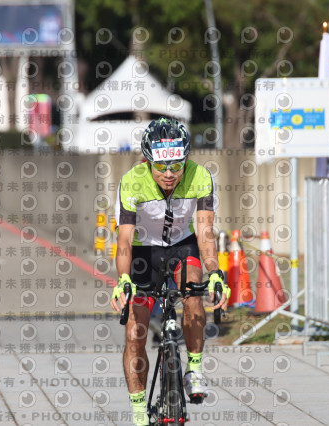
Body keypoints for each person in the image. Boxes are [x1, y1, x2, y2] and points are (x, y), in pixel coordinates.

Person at [110, 118, 230, 426]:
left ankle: (194, 369)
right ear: (147, 161)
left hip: (182, 247)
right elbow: (124, 240)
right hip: (143, 254)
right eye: (161, 166)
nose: (169, 173)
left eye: (176, 165)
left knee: (193, 293)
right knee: (134, 333)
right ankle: (139, 410)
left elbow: (205, 232)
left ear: (186, 159)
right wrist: (123, 280)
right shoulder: (132, 181)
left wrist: (215, 271)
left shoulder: (200, 176)